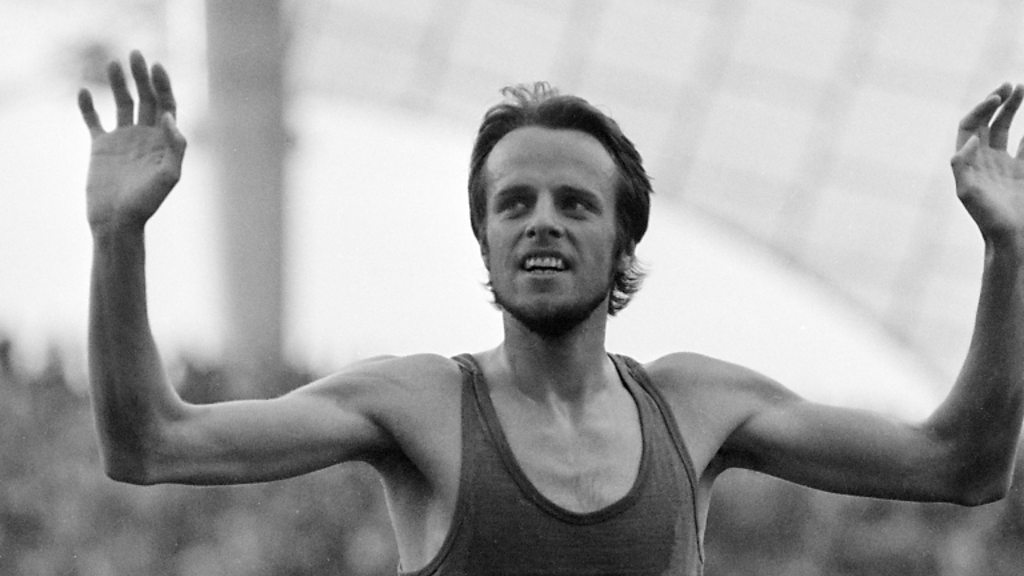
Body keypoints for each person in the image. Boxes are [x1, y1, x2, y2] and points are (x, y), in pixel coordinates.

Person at [79, 50, 1024, 575]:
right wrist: (120, 236)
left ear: (622, 241)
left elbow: (963, 465)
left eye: (575, 204)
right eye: (514, 203)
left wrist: (1007, 252)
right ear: (484, 238)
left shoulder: (698, 408)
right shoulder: (416, 405)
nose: (542, 222)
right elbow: (152, 444)